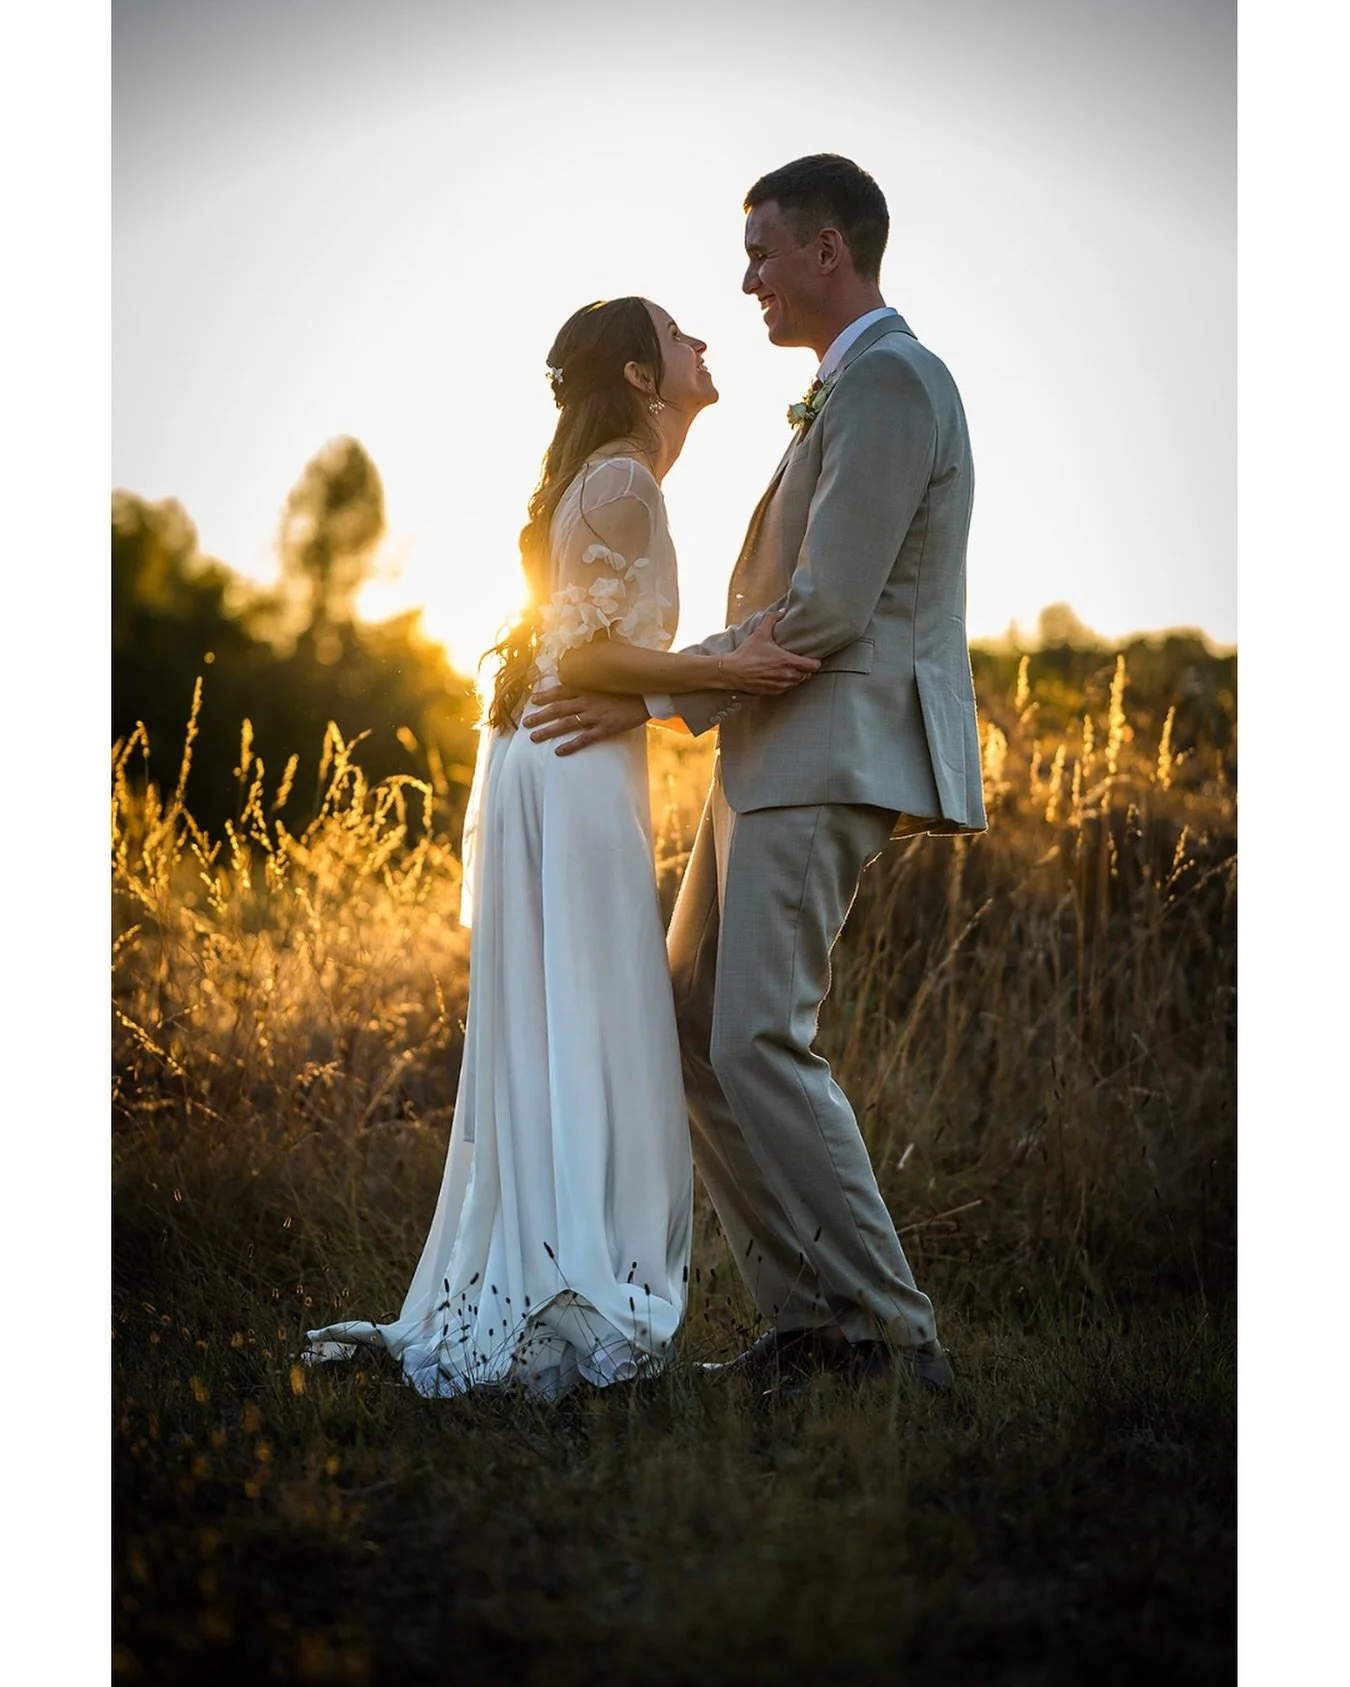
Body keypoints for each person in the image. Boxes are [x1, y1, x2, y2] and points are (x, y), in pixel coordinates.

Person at [524, 156, 988, 1392]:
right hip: (766, 755)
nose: (747, 283)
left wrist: (646, 682)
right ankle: (811, 1324)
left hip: (825, 749)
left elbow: (826, 606)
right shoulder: (844, 391)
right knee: (690, 1027)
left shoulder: (891, 382)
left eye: (764, 253)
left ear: (829, 252)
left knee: (762, 1037)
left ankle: (892, 1334)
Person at [304, 296, 817, 1398]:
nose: (703, 346)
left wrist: (681, 678)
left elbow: (585, 651)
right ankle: (583, 1285)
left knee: (573, 1018)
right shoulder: (625, 481)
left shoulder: (611, 480)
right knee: (602, 1022)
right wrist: (736, 669)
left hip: (556, 753)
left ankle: (556, 1263)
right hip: (570, 762)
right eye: (681, 337)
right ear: (639, 377)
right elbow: (589, 662)